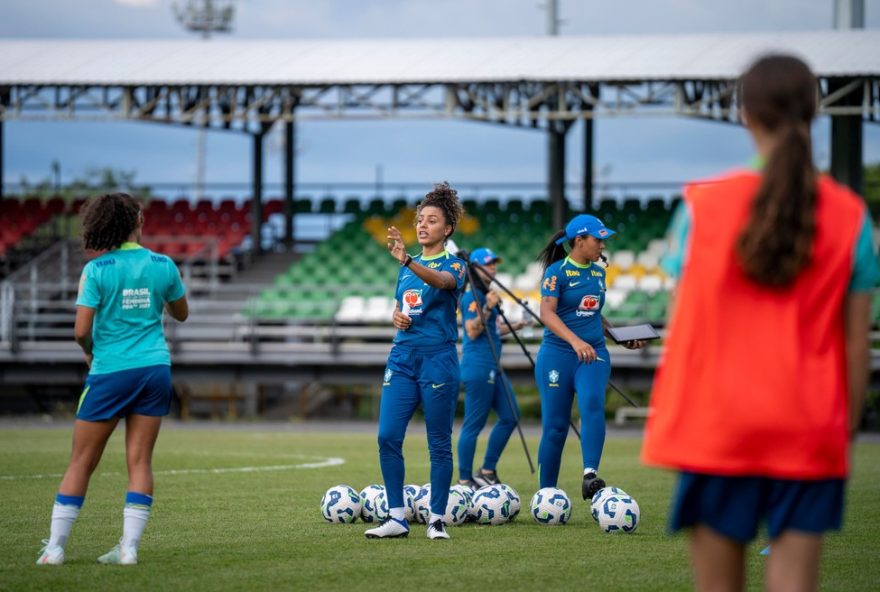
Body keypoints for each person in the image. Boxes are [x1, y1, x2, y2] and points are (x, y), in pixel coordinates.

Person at [641, 54, 878, 592]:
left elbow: (684, 329)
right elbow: (855, 348)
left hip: (720, 423)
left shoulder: (702, 208)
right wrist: (838, 436)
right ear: (814, 112)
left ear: (745, 114)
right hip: (807, 422)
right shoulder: (850, 216)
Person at [36, 192, 188, 566]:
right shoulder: (163, 264)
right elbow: (181, 314)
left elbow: (80, 330)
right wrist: (156, 294)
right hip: (154, 370)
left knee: (80, 463)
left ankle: (55, 549)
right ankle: (129, 549)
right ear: (139, 221)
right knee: (139, 463)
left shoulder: (97, 270)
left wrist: (90, 351)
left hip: (110, 371)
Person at [365, 182, 466, 541]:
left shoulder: (455, 264)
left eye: (432, 220)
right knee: (387, 435)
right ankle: (396, 517)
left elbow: (441, 282)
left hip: (438, 359)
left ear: (447, 228)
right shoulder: (406, 268)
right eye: (420, 219)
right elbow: (402, 303)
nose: (423, 225)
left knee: (438, 442)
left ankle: (437, 519)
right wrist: (396, 315)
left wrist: (408, 259)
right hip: (402, 357)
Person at [535, 214, 646, 499]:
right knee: (556, 426)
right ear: (579, 241)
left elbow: (595, 315)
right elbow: (546, 313)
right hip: (557, 356)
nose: (602, 245)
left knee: (592, 404)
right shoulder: (556, 272)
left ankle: (590, 475)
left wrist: (619, 337)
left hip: (593, 354)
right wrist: (574, 341)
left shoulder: (598, 273)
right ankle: (547, 493)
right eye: (598, 239)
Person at [456, 247, 529, 489]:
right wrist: (487, 307)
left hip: (493, 367)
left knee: (511, 415)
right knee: (473, 424)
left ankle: (487, 470)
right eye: (487, 264)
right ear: (475, 268)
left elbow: (492, 329)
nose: (493, 268)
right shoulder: (471, 296)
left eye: (494, 264)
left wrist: (516, 326)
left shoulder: (486, 294)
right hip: (478, 366)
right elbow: (473, 330)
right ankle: (465, 479)